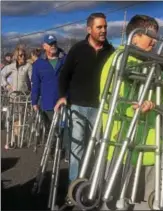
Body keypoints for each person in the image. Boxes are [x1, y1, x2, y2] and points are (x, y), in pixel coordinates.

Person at [100, 14, 163, 210]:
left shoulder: (151, 64)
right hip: (124, 148)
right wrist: (134, 106)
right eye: (150, 36)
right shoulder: (120, 60)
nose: (155, 42)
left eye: (157, 37)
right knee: (114, 203)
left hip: (152, 148)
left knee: (147, 204)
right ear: (135, 35)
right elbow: (114, 100)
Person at [54, 12, 114, 203]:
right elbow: (64, 75)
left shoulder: (110, 51)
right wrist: (62, 96)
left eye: (105, 26)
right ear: (89, 29)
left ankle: (95, 187)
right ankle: (74, 188)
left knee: (98, 149)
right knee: (77, 149)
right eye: (99, 27)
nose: (103, 30)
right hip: (78, 106)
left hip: (100, 108)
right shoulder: (77, 50)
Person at [31, 34, 66, 139]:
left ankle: (63, 153)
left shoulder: (66, 59)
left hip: (64, 102)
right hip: (48, 103)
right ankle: (51, 152)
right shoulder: (38, 64)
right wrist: (34, 102)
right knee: (51, 132)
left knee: (64, 131)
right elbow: (35, 84)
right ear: (44, 46)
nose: (53, 46)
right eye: (50, 44)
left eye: (54, 43)